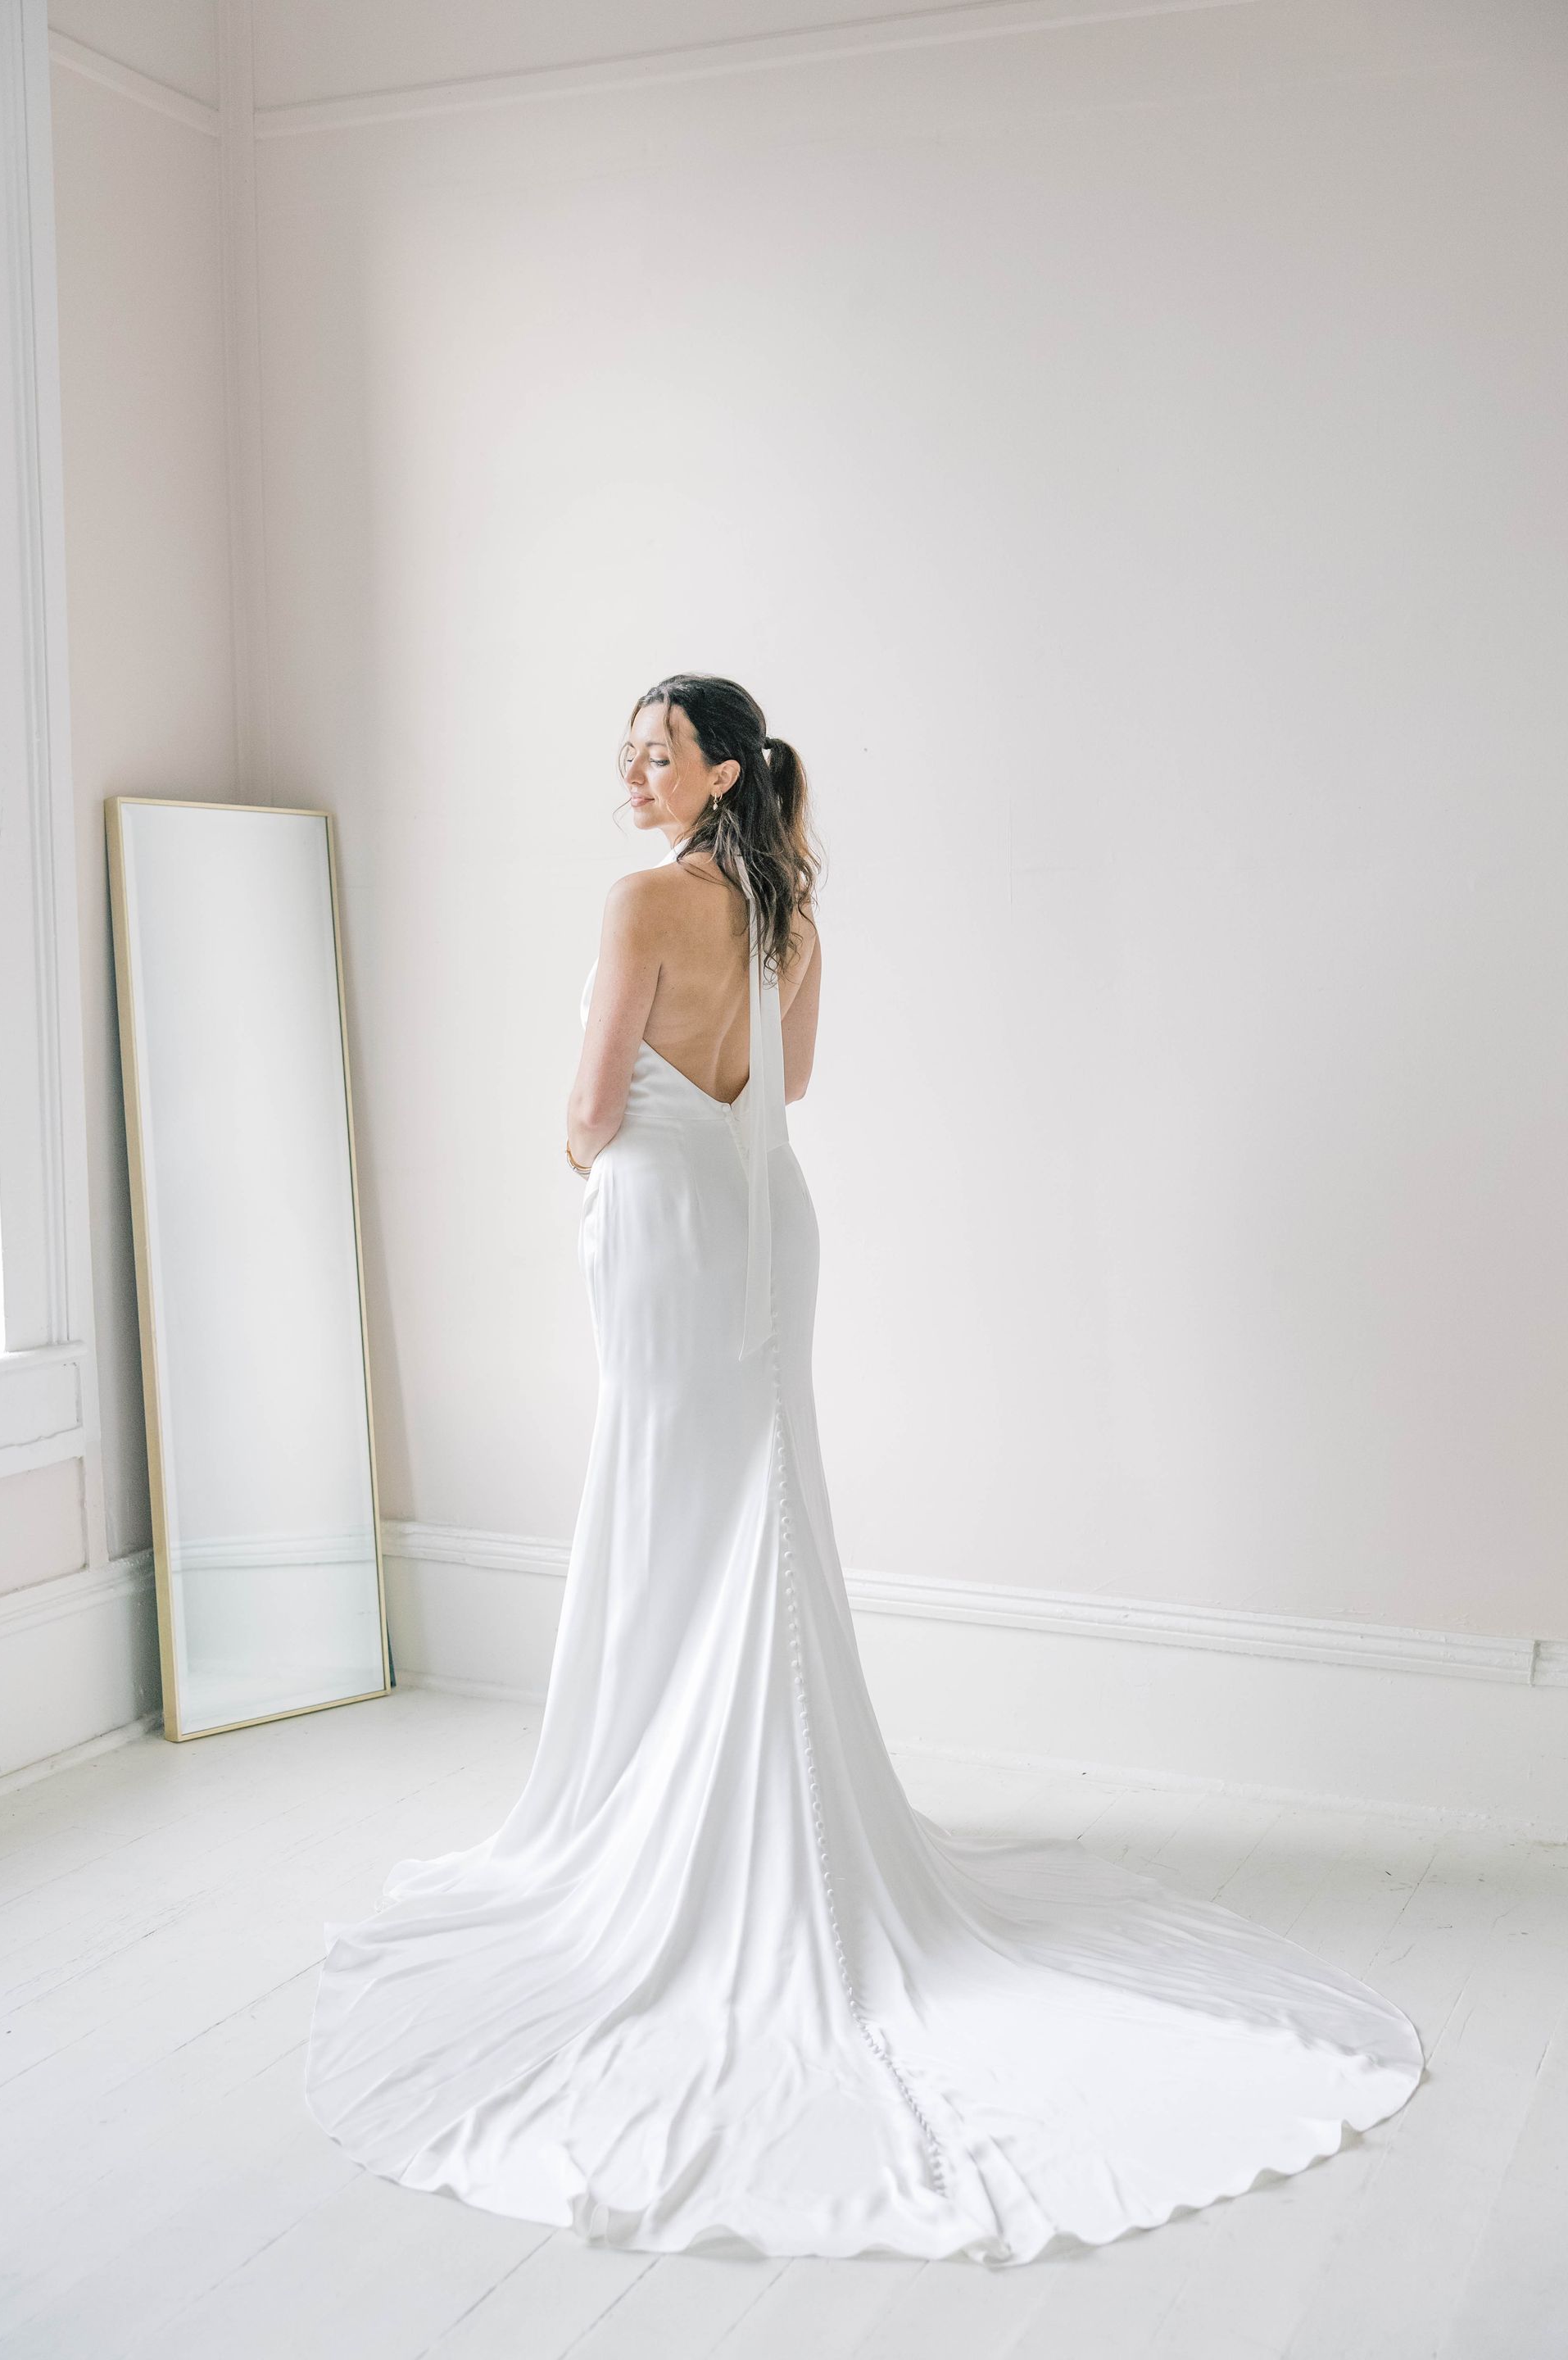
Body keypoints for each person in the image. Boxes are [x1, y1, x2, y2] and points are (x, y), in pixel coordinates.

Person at [303, 673, 1425, 2264]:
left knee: (669, 1500)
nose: (632, 767)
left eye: (659, 749)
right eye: (626, 746)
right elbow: (795, 1085)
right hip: (766, 1223)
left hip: (664, 1219)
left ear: (725, 771)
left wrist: (589, 1153)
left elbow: (584, 1108)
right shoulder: (793, 917)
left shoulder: (638, 900)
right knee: (754, 1503)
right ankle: (754, 1787)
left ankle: (659, 1811)